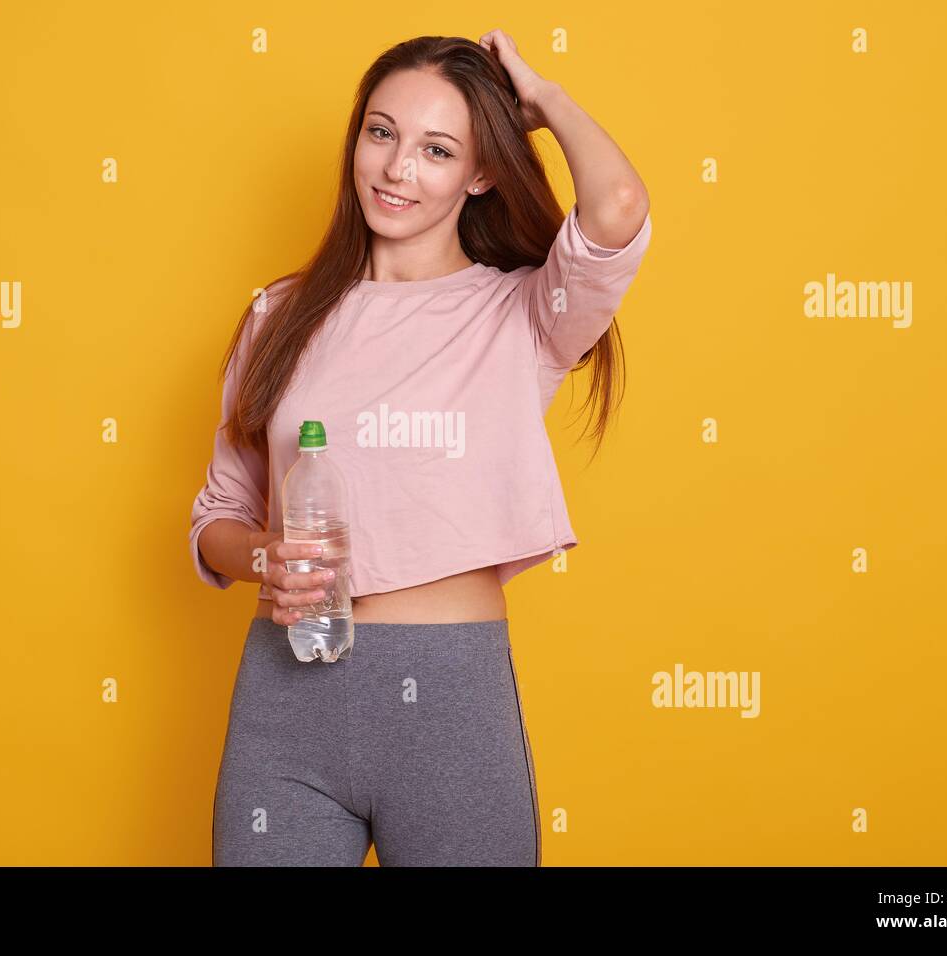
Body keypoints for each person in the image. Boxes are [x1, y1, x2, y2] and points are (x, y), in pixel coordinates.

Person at [191, 29, 652, 866]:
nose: (398, 169)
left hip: (449, 708)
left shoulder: (523, 314)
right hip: (285, 704)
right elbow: (218, 517)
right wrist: (266, 556)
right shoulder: (279, 317)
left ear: (480, 173)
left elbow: (617, 208)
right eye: (381, 133)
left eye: (438, 149)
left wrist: (541, 99)